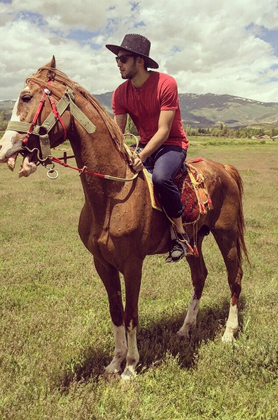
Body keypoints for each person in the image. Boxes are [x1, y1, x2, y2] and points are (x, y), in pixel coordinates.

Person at [106, 33, 192, 263]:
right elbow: (118, 132)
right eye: (116, 59)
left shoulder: (166, 83)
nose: (118, 64)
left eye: (123, 59)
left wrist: (141, 156)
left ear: (140, 61)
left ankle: (181, 237)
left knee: (161, 179)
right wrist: (123, 151)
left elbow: (164, 131)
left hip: (172, 145)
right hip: (144, 145)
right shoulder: (120, 93)